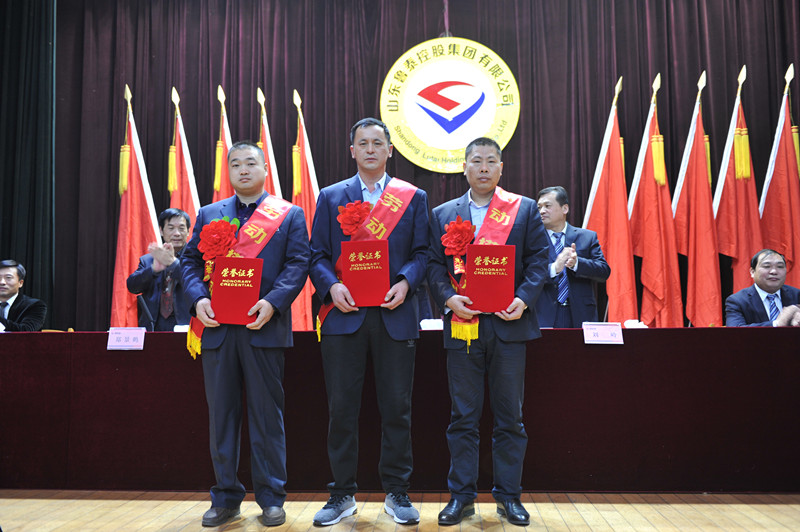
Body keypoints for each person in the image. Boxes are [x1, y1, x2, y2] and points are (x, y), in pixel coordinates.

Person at [181, 141, 310, 527]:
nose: (242, 169)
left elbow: (298, 263)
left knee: (267, 416)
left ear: (265, 168)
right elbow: (190, 262)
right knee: (222, 415)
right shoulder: (209, 213)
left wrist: (273, 302)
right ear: (229, 171)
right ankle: (225, 497)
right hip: (218, 328)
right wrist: (198, 300)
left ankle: (271, 497)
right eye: (235, 164)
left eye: (250, 163)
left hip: (263, 327)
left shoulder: (288, 214)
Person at [309, 117, 429, 526]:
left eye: (378, 143)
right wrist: (331, 287)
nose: (371, 149)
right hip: (345, 317)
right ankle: (341, 493)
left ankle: (397, 491)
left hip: (396, 315)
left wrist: (405, 282)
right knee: (342, 410)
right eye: (364, 143)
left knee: (397, 408)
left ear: (390, 150)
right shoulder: (331, 196)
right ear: (352, 151)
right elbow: (317, 255)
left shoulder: (412, 197)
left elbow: (423, 253)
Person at [426, 137, 550, 526]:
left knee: (510, 417)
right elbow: (432, 265)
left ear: (501, 168)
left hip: (509, 326)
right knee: (463, 416)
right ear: (464, 167)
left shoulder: (523, 209)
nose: (483, 167)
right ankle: (461, 497)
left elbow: (540, 260)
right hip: (463, 326)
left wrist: (524, 300)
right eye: (476, 161)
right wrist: (449, 299)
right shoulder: (443, 213)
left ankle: (509, 497)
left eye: (491, 161)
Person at [535, 186, 610, 328]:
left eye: (547, 206)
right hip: (543, 315)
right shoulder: (532, 240)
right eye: (539, 207)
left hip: (580, 314)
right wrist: (554, 268)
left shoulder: (587, 237)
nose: (542, 211)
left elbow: (604, 272)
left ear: (565, 209)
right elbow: (525, 273)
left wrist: (577, 264)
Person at [126, 208, 192, 331]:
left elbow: (193, 282)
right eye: (171, 228)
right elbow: (132, 286)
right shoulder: (148, 260)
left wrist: (173, 263)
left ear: (188, 231)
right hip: (154, 326)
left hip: (186, 326)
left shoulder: (196, 258)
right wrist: (153, 270)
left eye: (181, 228)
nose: (177, 233)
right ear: (161, 230)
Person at [725, 249, 800, 327]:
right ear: (752, 272)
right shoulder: (737, 301)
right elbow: (735, 330)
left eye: (780, 267)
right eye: (767, 266)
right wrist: (776, 324)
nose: (774, 271)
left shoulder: (797, 295)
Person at [0, 259, 47, 332]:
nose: (2, 282)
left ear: (20, 283)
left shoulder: (35, 305)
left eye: (8, 278)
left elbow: (26, 330)